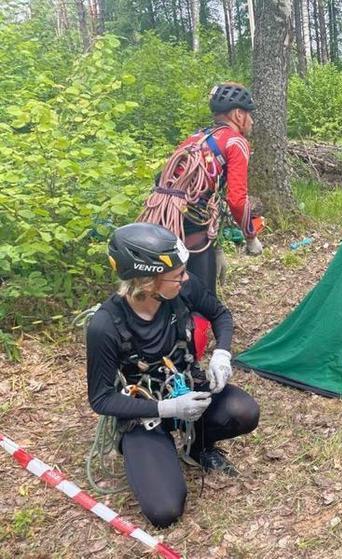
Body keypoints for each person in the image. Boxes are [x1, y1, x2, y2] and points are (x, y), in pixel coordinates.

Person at [86, 223, 260, 527]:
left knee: (244, 413)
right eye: (176, 274)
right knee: (165, 511)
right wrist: (164, 409)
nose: (184, 277)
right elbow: (101, 399)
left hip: (187, 389)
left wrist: (222, 353)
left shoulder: (183, 289)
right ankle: (147, 450)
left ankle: (197, 447)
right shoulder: (105, 327)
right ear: (147, 281)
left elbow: (220, 314)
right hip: (144, 413)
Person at [138, 83, 262, 295]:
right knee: (201, 294)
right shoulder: (236, 142)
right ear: (238, 114)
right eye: (249, 114)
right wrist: (250, 237)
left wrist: (218, 246)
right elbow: (237, 200)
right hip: (191, 218)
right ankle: (197, 324)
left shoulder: (196, 138)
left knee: (165, 285)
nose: (251, 121)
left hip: (160, 213)